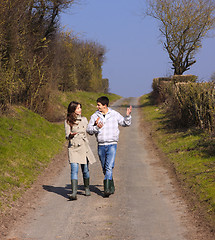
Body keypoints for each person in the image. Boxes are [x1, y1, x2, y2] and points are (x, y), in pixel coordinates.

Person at [86, 96, 132, 197]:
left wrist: (128, 116)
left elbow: (125, 123)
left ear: (105, 105)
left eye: (99, 105)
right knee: (104, 168)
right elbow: (89, 130)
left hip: (112, 144)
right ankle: (111, 185)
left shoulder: (114, 114)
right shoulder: (94, 116)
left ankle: (106, 189)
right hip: (101, 145)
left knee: (109, 167)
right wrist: (96, 127)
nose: (97, 107)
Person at [65, 101, 96, 200]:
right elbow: (67, 136)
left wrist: (95, 125)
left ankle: (87, 188)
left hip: (83, 147)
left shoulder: (84, 120)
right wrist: (70, 135)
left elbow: (89, 131)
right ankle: (74, 193)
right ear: (73, 109)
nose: (80, 109)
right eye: (78, 108)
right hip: (73, 148)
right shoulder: (68, 121)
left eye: (80, 107)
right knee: (74, 170)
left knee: (85, 170)